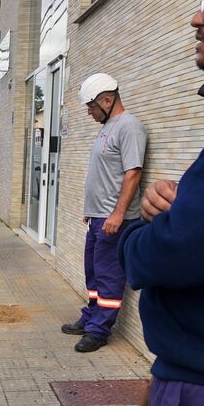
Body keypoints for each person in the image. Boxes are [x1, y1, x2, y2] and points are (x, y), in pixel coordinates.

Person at [118, 0, 204, 406]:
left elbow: (169, 253)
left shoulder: (127, 130)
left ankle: (94, 328)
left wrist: (132, 228)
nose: (196, 16)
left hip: (203, 397)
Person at [60, 73, 147, 352]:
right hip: (98, 216)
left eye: (91, 107)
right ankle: (90, 318)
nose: (89, 112)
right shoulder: (108, 126)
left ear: (107, 100)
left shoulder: (129, 127)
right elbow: (104, 173)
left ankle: (99, 331)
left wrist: (118, 214)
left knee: (108, 275)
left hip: (114, 220)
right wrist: (91, 209)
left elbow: (132, 173)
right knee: (93, 273)